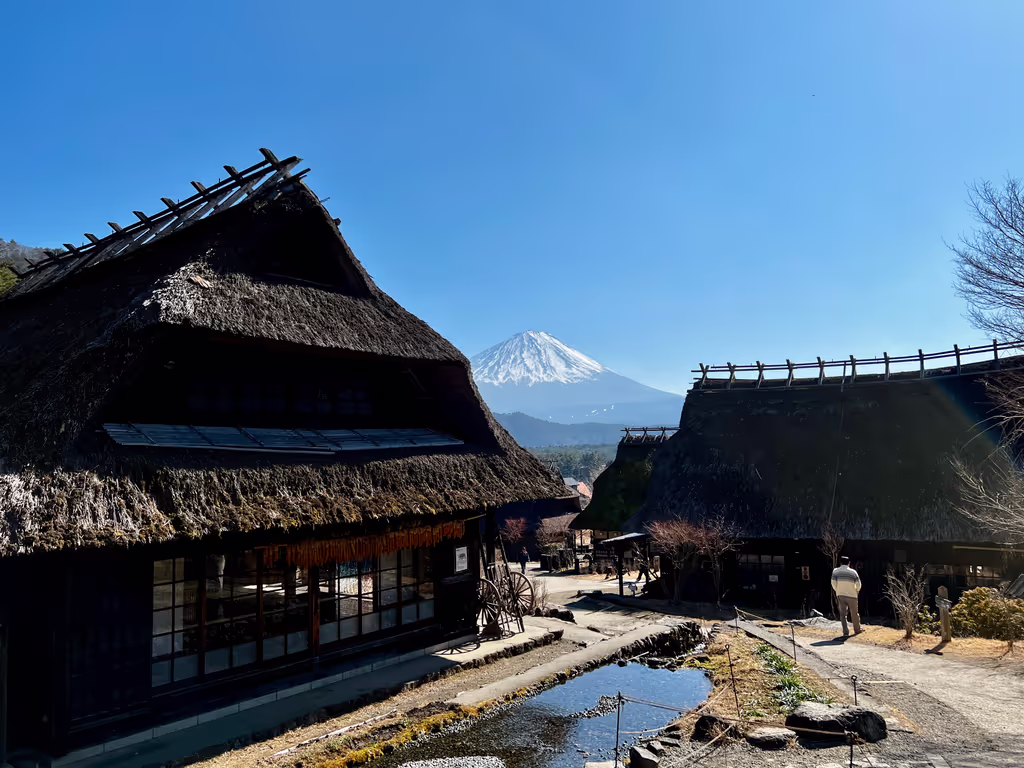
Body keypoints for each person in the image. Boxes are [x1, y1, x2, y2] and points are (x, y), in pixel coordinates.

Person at [831, 555, 862, 636]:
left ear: (840, 563)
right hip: (852, 595)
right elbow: (858, 584)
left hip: (841, 594)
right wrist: (857, 590)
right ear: (849, 563)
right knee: (854, 613)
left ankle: (845, 631)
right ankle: (857, 629)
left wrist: (837, 590)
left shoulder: (835, 571)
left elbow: (833, 583)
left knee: (843, 614)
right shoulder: (853, 572)